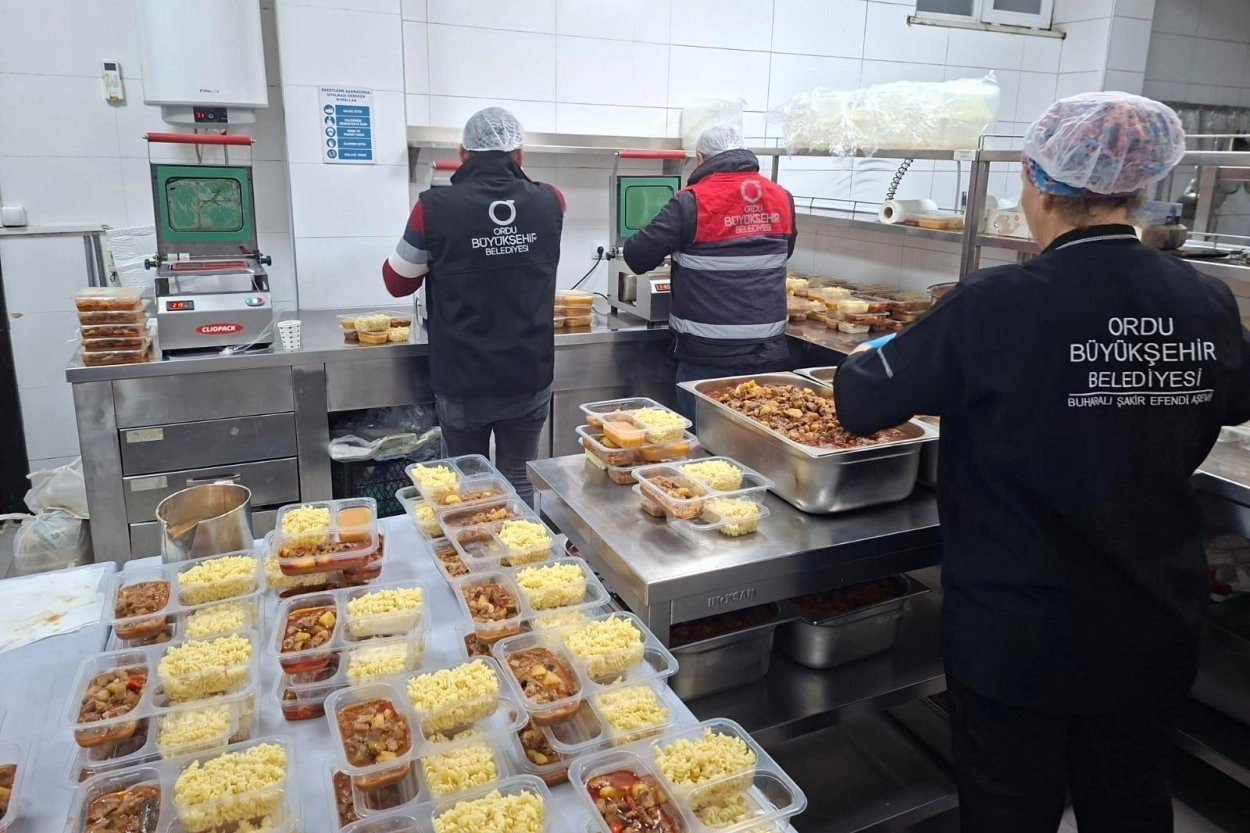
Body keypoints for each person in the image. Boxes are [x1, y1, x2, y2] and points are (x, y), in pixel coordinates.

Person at [833, 93, 1250, 832]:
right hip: (1152, 621)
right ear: (1140, 185)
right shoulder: (1207, 300)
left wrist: (880, 349)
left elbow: (862, 400)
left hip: (1022, 629)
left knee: (1009, 813)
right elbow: (1235, 399)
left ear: (1038, 181)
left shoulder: (998, 301)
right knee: (1131, 806)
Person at [382, 107, 565, 502]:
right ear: (520, 154)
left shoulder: (433, 208)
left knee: (466, 485)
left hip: (463, 378)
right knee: (519, 477)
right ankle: (523, 541)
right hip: (529, 372)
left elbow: (396, 281)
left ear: (462, 153)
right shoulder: (552, 200)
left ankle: (472, 541)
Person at [622, 125, 797, 419]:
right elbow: (783, 252)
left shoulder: (692, 201)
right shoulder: (782, 197)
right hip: (767, 352)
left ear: (701, 158)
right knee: (757, 439)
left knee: (705, 442)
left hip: (707, 358)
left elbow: (636, 256)